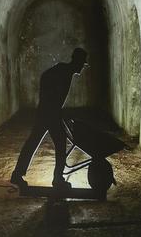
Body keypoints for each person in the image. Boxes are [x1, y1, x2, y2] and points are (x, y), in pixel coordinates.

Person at [11, 47, 88, 189]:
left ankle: (17, 174)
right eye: (82, 63)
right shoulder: (63, 71)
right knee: (59, 143)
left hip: (48, 112)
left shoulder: (66, 71)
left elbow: (46, 78)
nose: (82, 67)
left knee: (34, 142)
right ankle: (57, 179)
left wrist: (52, 108)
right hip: (48, 113)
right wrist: (50, 107)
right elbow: (48, 82)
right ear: (77, 61)